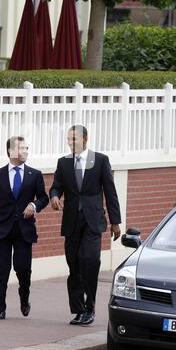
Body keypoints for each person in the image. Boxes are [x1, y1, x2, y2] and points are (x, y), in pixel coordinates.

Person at [49, 125, 121, 326]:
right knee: (74, 266)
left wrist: (116, 222)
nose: (70, 143)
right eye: (68, 139)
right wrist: (54, 197)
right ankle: (79, 310)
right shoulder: (63, 163)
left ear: (85, 139)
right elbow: (56, 187)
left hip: (93, 221)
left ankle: (90, 307)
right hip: (72, 222)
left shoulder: (100, 160)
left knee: (89, 261)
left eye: (74, 139)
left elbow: (110, 191)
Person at [0, 136, 49, 320]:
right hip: (2, 229)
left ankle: (24, 299)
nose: (25, 151)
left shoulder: (35, 175)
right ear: (10, 151)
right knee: (1, 270)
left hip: (24, 231)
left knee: (22, 269)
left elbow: (43, 198)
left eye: (27, 148)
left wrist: (33, 206)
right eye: (22, 148)